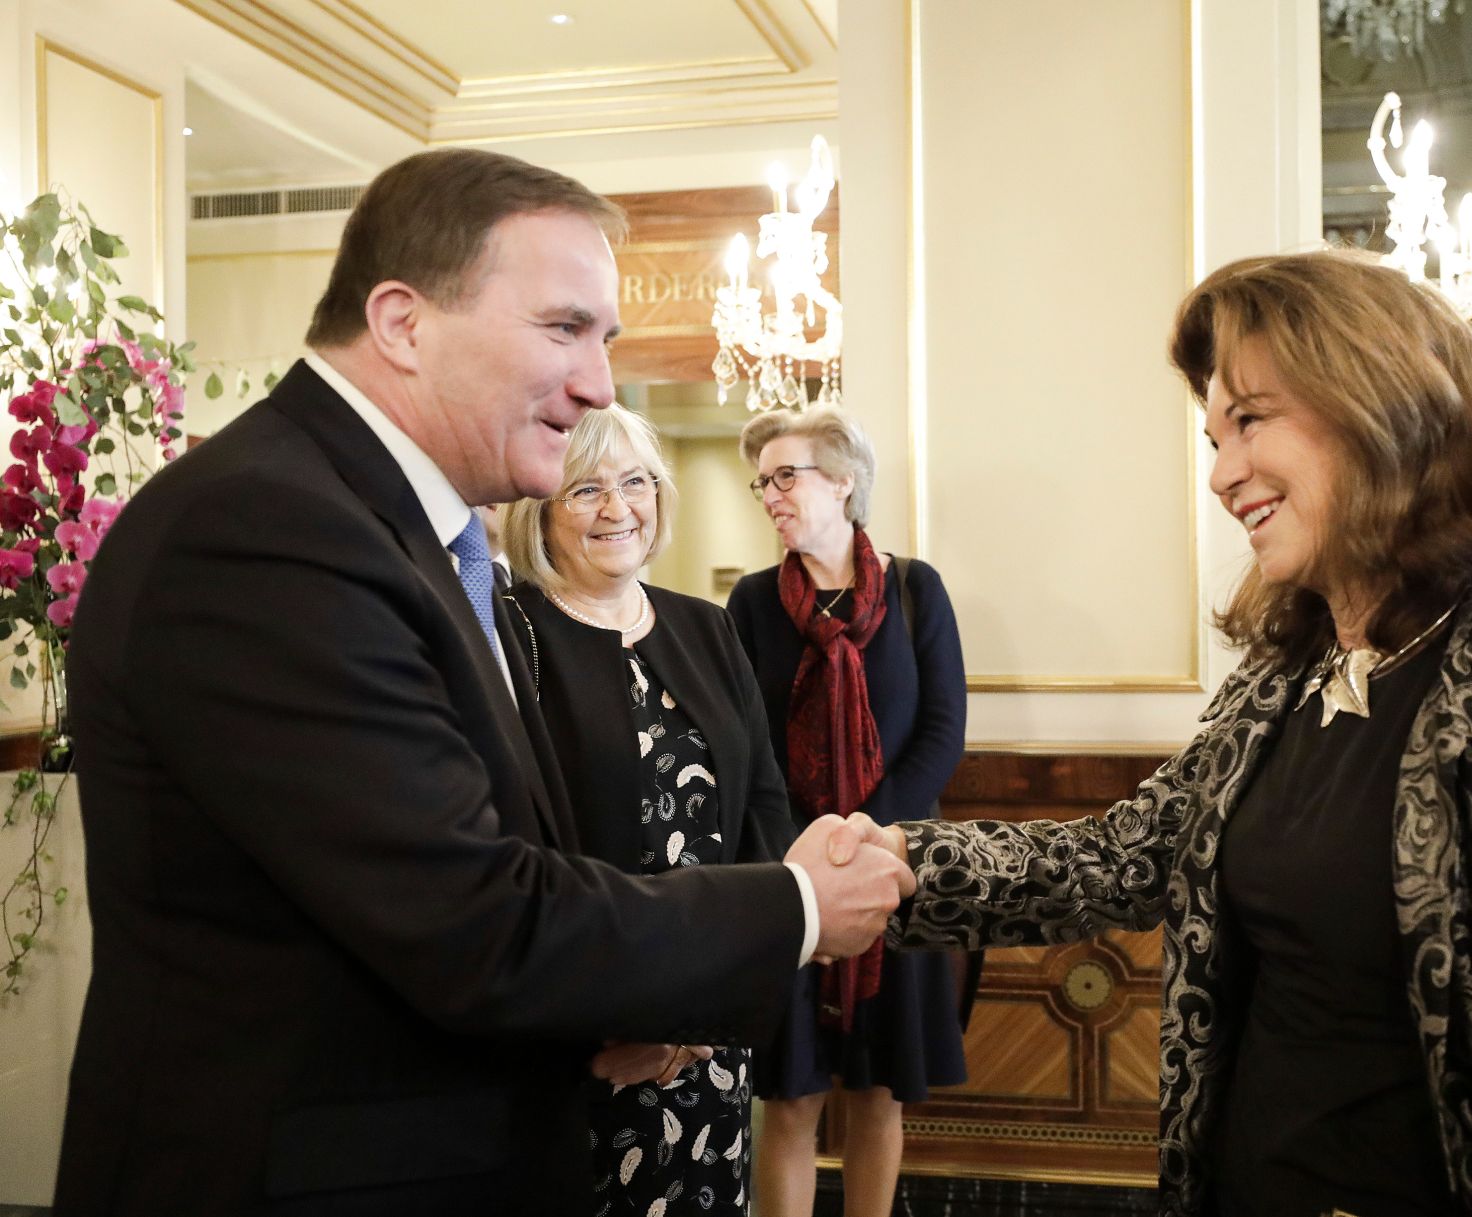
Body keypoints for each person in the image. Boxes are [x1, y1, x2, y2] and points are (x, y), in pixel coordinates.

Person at [57, 148, 912, 1217]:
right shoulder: (264, 531)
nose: (599, 380)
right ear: (403, 323)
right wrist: (792, 902)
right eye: (563, 328)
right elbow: (472, 917)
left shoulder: (407, 532)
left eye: (603, 339)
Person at [852, 250, 1472, 1216]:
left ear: (1381, 403)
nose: (1222, 474)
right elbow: (1120, 856)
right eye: (1213, 438)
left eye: (1250, 420)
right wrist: (900, 862)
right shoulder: (1291, 670)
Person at [499, 403, 797, 1215]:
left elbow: (764, 814)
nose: (617, 507)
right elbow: (521, 851)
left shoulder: (706, 626)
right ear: (542, 511)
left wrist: (702, 1015)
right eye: (585, 488)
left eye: (635, 482)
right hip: (590, 1046)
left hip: (708, 1040)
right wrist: (634, 1018)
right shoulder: (510, 632)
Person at [726, 406, 970, 1217]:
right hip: (789, 879)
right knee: (791, 1098)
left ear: (844, 481)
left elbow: (941, 731)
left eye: (786, 475)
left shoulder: (914, 589)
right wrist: (811, 852)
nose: (770, 493)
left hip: (893, 871)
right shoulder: (753, 603)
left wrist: (868, 836)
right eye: (762, 480)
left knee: (877, 1093)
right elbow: (745, 743)